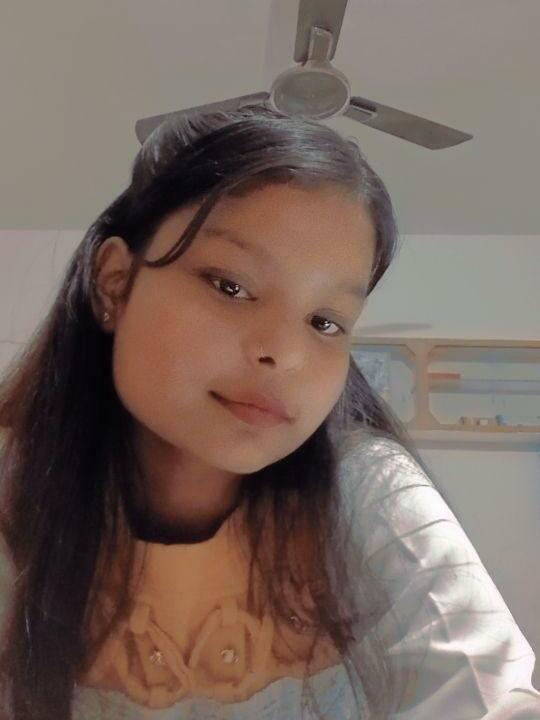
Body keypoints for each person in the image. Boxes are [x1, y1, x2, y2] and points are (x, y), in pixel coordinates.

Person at [0, 105, 538, 720]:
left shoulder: (367, 489)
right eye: (230, 286)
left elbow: (491, 695)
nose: (284, 353)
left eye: (325, 321)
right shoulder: (15, 486)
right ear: (115, 282)